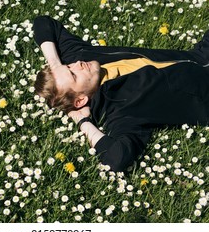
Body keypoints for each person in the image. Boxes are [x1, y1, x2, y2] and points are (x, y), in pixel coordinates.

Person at [33, 15, 209, 172]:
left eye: (68, 67)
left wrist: (56, 64)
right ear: (80, 100)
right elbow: (117, 158)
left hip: (201, 53)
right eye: (73, 74)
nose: (77, 64)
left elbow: (44, 23)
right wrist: (82, 121)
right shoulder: (120, 110)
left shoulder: (83, 57)